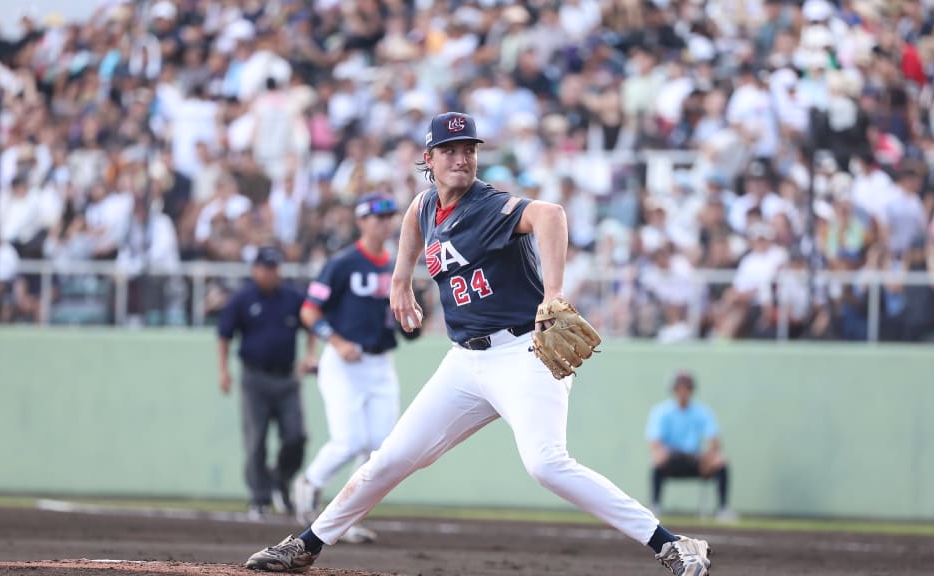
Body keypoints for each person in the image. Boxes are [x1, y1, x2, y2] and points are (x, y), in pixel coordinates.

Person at [245, 112, 712, 575]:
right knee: (389, 459)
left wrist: (553, 295)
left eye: (468, 149)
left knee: (546, 464)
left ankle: (671, 544)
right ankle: (305, 546)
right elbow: (412, 217)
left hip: (524, 353)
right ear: (428, 158)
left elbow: (551, 215)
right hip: (466, 362)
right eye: (450, 150)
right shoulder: (427, 205)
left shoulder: (488, 205)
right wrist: (400, 279)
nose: (462, 158)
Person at [293, 193, 414, 544]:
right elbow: (309, 311)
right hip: (344, 360)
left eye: (390, 216)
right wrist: (336, 341)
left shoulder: (395, 263)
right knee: (349, 441)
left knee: (379, 448)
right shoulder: (343, 263)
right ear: (361, 221)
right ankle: (311, 483)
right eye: (377, 217)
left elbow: (403, 317)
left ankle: (347, 517)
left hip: (380, 361)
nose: (385, 223)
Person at [217, 246, 316, 517]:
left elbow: (312, 324)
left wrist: (309, 355)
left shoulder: (292, 297)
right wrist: (223, 371)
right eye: (267, 268)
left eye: (276, 267)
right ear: (255, 270)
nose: (272, 273)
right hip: (255, 377)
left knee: (297, 436)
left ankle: (280, 480)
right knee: (256, 440)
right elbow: (224, 334)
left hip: (286, 378)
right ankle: (259, 497)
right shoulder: (243, 299)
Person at [646, 371, 733, 522]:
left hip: (696, 459)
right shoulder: (661, 412)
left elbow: (714, 440)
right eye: (680, 388)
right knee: (656, 462)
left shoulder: (702, 412)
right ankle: (655, 506)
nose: (683, 392)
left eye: (687, 388)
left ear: (692, 390)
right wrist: (661, 454)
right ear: (674, 390)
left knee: (721, 462)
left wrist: (710, 456)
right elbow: (655, 442)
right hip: (672, 459)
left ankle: (722, 509)